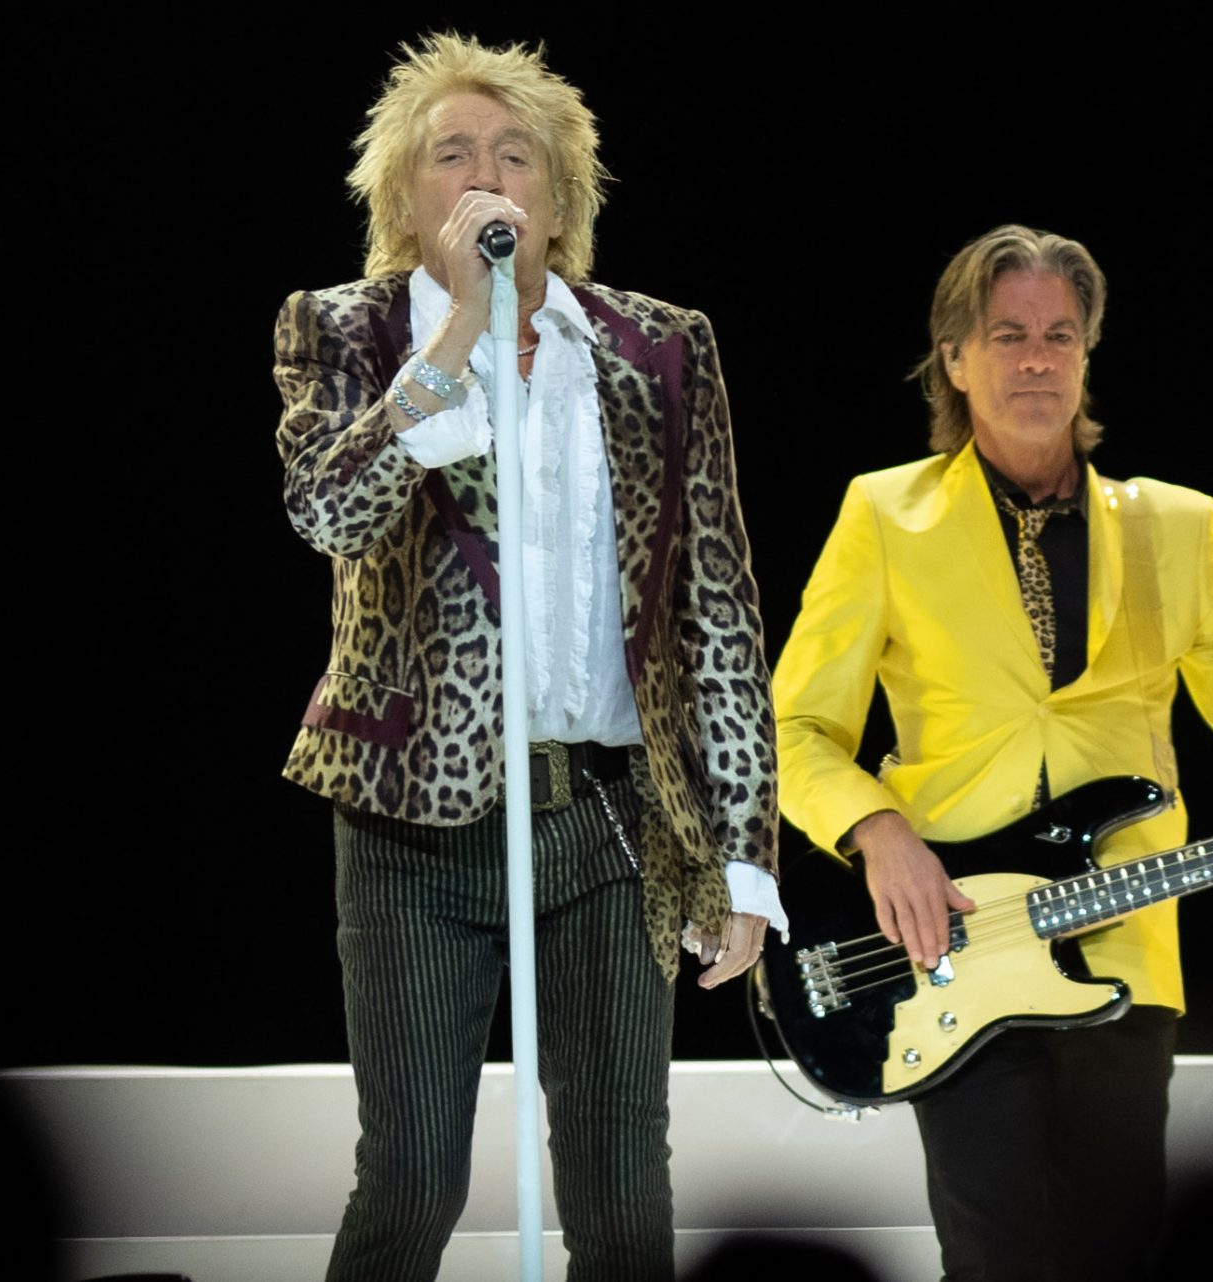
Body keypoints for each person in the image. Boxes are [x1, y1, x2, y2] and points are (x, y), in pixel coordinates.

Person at [771, 225, 1213, 1281]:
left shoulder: (1177, 526)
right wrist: (879, 833)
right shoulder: (885, 513)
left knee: (1117, 1254)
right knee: (1000, 1258)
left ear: (1087, 353)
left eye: (1060, 335)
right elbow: (794, 729)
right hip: (957, 943)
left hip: (1126, 946)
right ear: (955, 359)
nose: (1037, 359)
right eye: (1008, 335)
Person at [272, 34, 780, 1282]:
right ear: (406, 199)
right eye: (451, 156)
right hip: (412, 823)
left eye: (515, 156)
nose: (486, 178)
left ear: (560, 199)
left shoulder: (660, 349)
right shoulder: (344, 329)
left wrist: (743, 854)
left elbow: (717, 608)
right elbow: (329, 510)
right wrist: (454, 338)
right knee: (413, 1179)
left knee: (620, 1189)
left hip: (609, 817)